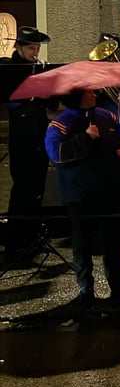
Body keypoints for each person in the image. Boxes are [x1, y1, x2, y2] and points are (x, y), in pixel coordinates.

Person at [45, 89, 120, 309]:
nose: (94, 94)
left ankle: (118, 294)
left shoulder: (107, 115)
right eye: (89, 91)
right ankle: (86, 293)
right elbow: (57, 154)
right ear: (79, 96)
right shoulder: (61, 124)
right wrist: (85, 137)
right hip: (80, 194)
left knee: (113, 245)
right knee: (82, 245)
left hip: (109, 191)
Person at [2, 26, 57, 262]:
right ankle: (16, 243)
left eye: (37, 48)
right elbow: (10, 101)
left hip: (39, 133)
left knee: (37, 188)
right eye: (31, 48)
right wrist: (31, 87)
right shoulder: (8, 68)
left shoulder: (39, 68)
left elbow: (51, 104)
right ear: (19, 47)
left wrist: (48, 88)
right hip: (22, 136)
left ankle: (33, 237)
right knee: (23, 189)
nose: (35, 53)